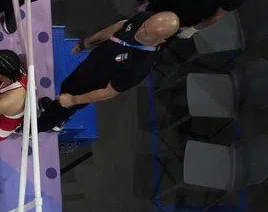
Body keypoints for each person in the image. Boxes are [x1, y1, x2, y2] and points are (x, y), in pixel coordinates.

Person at [37, 11, 180, 133]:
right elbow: (117, 27)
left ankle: (40, 127)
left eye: (147, 33)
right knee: (65, 89)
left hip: (89, 87)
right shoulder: (145, 18)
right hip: (87, 68)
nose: (141, 31)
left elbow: (109, 92)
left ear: (161, 40)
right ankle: (55, 110)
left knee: (63, 107)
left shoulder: (141, 66)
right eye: (144, 26)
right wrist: (86, 42)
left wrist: (73, 100)